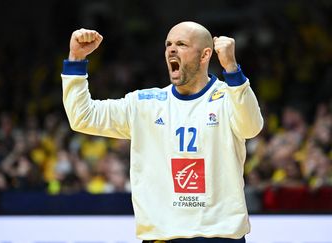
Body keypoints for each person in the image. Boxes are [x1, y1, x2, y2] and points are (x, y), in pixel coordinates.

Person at [61, 21, 263, 242]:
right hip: (162, 237)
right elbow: (83, 117)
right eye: (168, 44)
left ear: (205, 55)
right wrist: (76, 60)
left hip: (219, 236)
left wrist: (232, 70)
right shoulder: (144, 103)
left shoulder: (229, 96)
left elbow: (251, 127)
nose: (172, 49)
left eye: (182, 44)